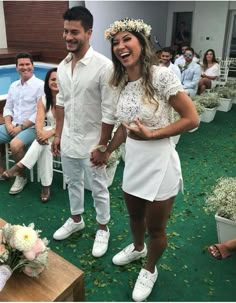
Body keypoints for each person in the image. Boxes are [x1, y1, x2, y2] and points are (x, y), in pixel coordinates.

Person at [100, 18, 199, 302]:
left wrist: (153, 134)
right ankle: (137, 247)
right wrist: (107, 150)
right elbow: (123, 126)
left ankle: (150, 268)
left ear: (141, 43)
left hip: (160, 162)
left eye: (126, 39)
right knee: (133, 215)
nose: (120, 46)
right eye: (115, 43)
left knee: (157, 227)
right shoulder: (120, 82)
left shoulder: (161, 76)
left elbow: (191, 119)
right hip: (134, 161)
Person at [51, 6, 116, 258]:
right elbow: (61, 103)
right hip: (68, 139)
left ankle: (102, 227)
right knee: (72, 182)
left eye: (74, 32)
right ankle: (76, 219)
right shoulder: (62, 66)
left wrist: (102, 146)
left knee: (99, 187)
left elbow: (110, 112)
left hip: (92, 142)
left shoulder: (104, 67)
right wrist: (57, 134)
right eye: (66, 31)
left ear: (89, 33)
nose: (68, 37)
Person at [2, 68, 58, 202]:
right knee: (44, 145)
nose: (56, 82)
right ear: (48, 82)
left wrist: (47, 133)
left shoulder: (69, 99)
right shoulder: (44, 99)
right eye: (53, 79)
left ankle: (19, 167)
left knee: (43, 142)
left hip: (64, 133)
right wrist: (40, 133)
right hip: (46, 132)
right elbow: (39, 120)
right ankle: (46, 186)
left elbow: (67, 124)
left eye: (59, 79)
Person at [0, 52, 44, 194]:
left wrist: (21, 127)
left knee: (15, 145)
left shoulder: (40, 86)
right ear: (16, 67)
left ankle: (21, 176)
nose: (25, 67)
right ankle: (1, 171)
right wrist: (8, 124)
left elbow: (39, 112)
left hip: (31, 127)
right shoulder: (14, 86)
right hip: (13, 125)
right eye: (21, 65)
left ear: (32, 66)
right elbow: (8, 107)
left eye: (27, 64)